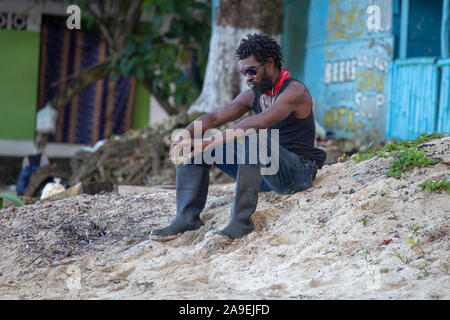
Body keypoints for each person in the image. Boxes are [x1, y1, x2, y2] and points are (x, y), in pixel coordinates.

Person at [151, 33, 326, 240]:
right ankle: (186, 219)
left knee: (252, 139)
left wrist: (209, 142)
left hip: (297, 173)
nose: (248, 77)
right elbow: (215, 117)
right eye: (243, 72)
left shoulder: (294, 92)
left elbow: (259, 123)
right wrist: (185, 133)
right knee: (196, 138)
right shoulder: (255, 94)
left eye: (251, 70)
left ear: (269, 63)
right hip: (267, 175)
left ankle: (240, 223)